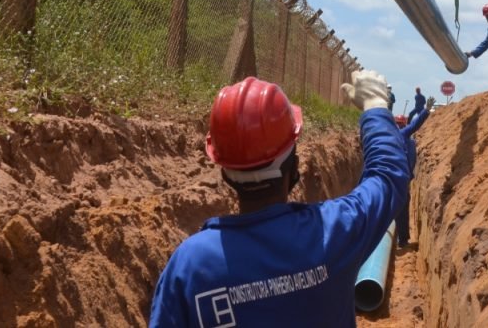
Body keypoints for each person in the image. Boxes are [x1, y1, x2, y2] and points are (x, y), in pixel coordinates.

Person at [149, 72, 408, 328]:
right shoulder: (334, 231)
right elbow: (388, 176)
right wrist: (375, 107)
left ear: (225, 173)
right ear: (294, 166)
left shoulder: (189, 266)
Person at [395, 95, 435, 248]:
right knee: (402, 211)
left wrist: (425, 111)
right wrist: (425, 110)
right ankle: (403, 240)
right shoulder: (407, 138)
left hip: (396, 180)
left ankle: (398, 238)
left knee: (395, 211)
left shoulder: (400, 136)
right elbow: (415, 125)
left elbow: (415, 125)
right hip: (403, 180)